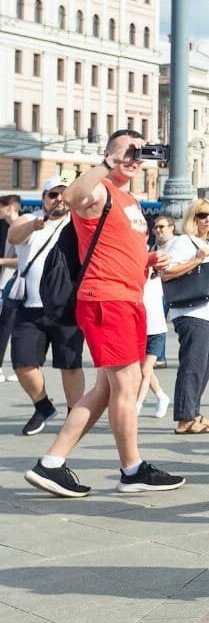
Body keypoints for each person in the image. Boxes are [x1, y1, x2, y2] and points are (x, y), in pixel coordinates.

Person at [23, 129, 185, 498]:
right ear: (108, 153)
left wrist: (148, 260)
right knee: (126, 385)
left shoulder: (129, 199)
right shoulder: (100, 189)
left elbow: (115, 249)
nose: (132, 158)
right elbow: (72, 196)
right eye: (125, 151)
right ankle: (132, 470)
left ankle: (51, 464)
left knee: (104, 389)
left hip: (127, 298)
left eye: (138, 152)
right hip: (106, 299)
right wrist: (108, 164)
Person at [7, 177, 86, 435]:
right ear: (43, 197)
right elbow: (13, 235)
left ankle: (75, 415)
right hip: (31, 307)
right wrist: (34, 225)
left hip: (68, 308)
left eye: (65, 195)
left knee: (70, 364)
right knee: (22, 363)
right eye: (53, 195)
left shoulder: (78, 223)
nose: (59, 200)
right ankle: (42, 405)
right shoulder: (29, 220)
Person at [161, 200, 209, 436]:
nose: (207, 219)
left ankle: (194, 412)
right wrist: (196, 260)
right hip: (191, 313)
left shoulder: (204, 243)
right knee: (192, 366)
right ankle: (185, 419)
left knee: (204, 367)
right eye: (202, 215)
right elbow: (166, 273)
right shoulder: (183, 242)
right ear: (192, 218)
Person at [135, 215, 174, 419]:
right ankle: (161, 396)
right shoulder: (132, 266)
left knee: (145, 370)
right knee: (144, 369)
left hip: (156, 329)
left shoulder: (157, 263)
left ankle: (137, 407)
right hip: (138, 327)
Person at [0, 194, 21, 382]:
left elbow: (25, 259)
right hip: (5, 285)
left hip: (17, 286)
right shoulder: (4, 227)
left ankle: (20, 367)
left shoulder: (23, 227)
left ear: (10, 208)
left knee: (10, 328)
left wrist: (3, 261)